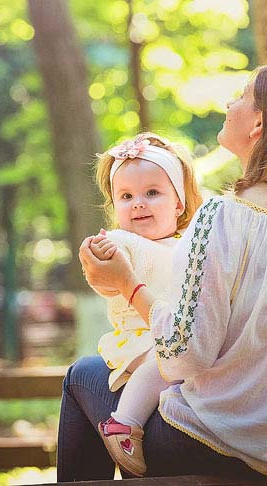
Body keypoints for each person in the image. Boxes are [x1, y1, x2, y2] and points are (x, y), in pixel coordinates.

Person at [63, 60, 267, 481]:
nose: (230, 103)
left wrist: (127, 284)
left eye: (242, 96)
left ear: (258, 124)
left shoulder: (222, 218)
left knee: (82, 374)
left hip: (213, 447)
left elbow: (183, 353)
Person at [87, 132, 203, 477]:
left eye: (152, 193)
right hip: (140, 339)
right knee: (164, 357)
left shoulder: (186, 245)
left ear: (179, 203)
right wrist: (98, 253)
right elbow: (104, 275)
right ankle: (124, 423)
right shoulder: (122, 241)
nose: (138, 203)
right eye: (126, 196)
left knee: (178, 353)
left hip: (177, 335)